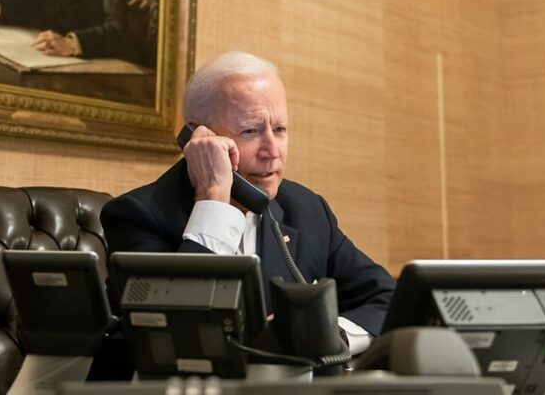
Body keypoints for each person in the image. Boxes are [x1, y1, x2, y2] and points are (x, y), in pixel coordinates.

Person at [101, 52, 396, 353]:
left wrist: (330, 336)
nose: (272, 150)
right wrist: (214, 197)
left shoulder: (307, 209)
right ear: (200, 138)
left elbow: (386, 298)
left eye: (279, 129)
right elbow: (179, 332)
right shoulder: (136, 215)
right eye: (250, 130)